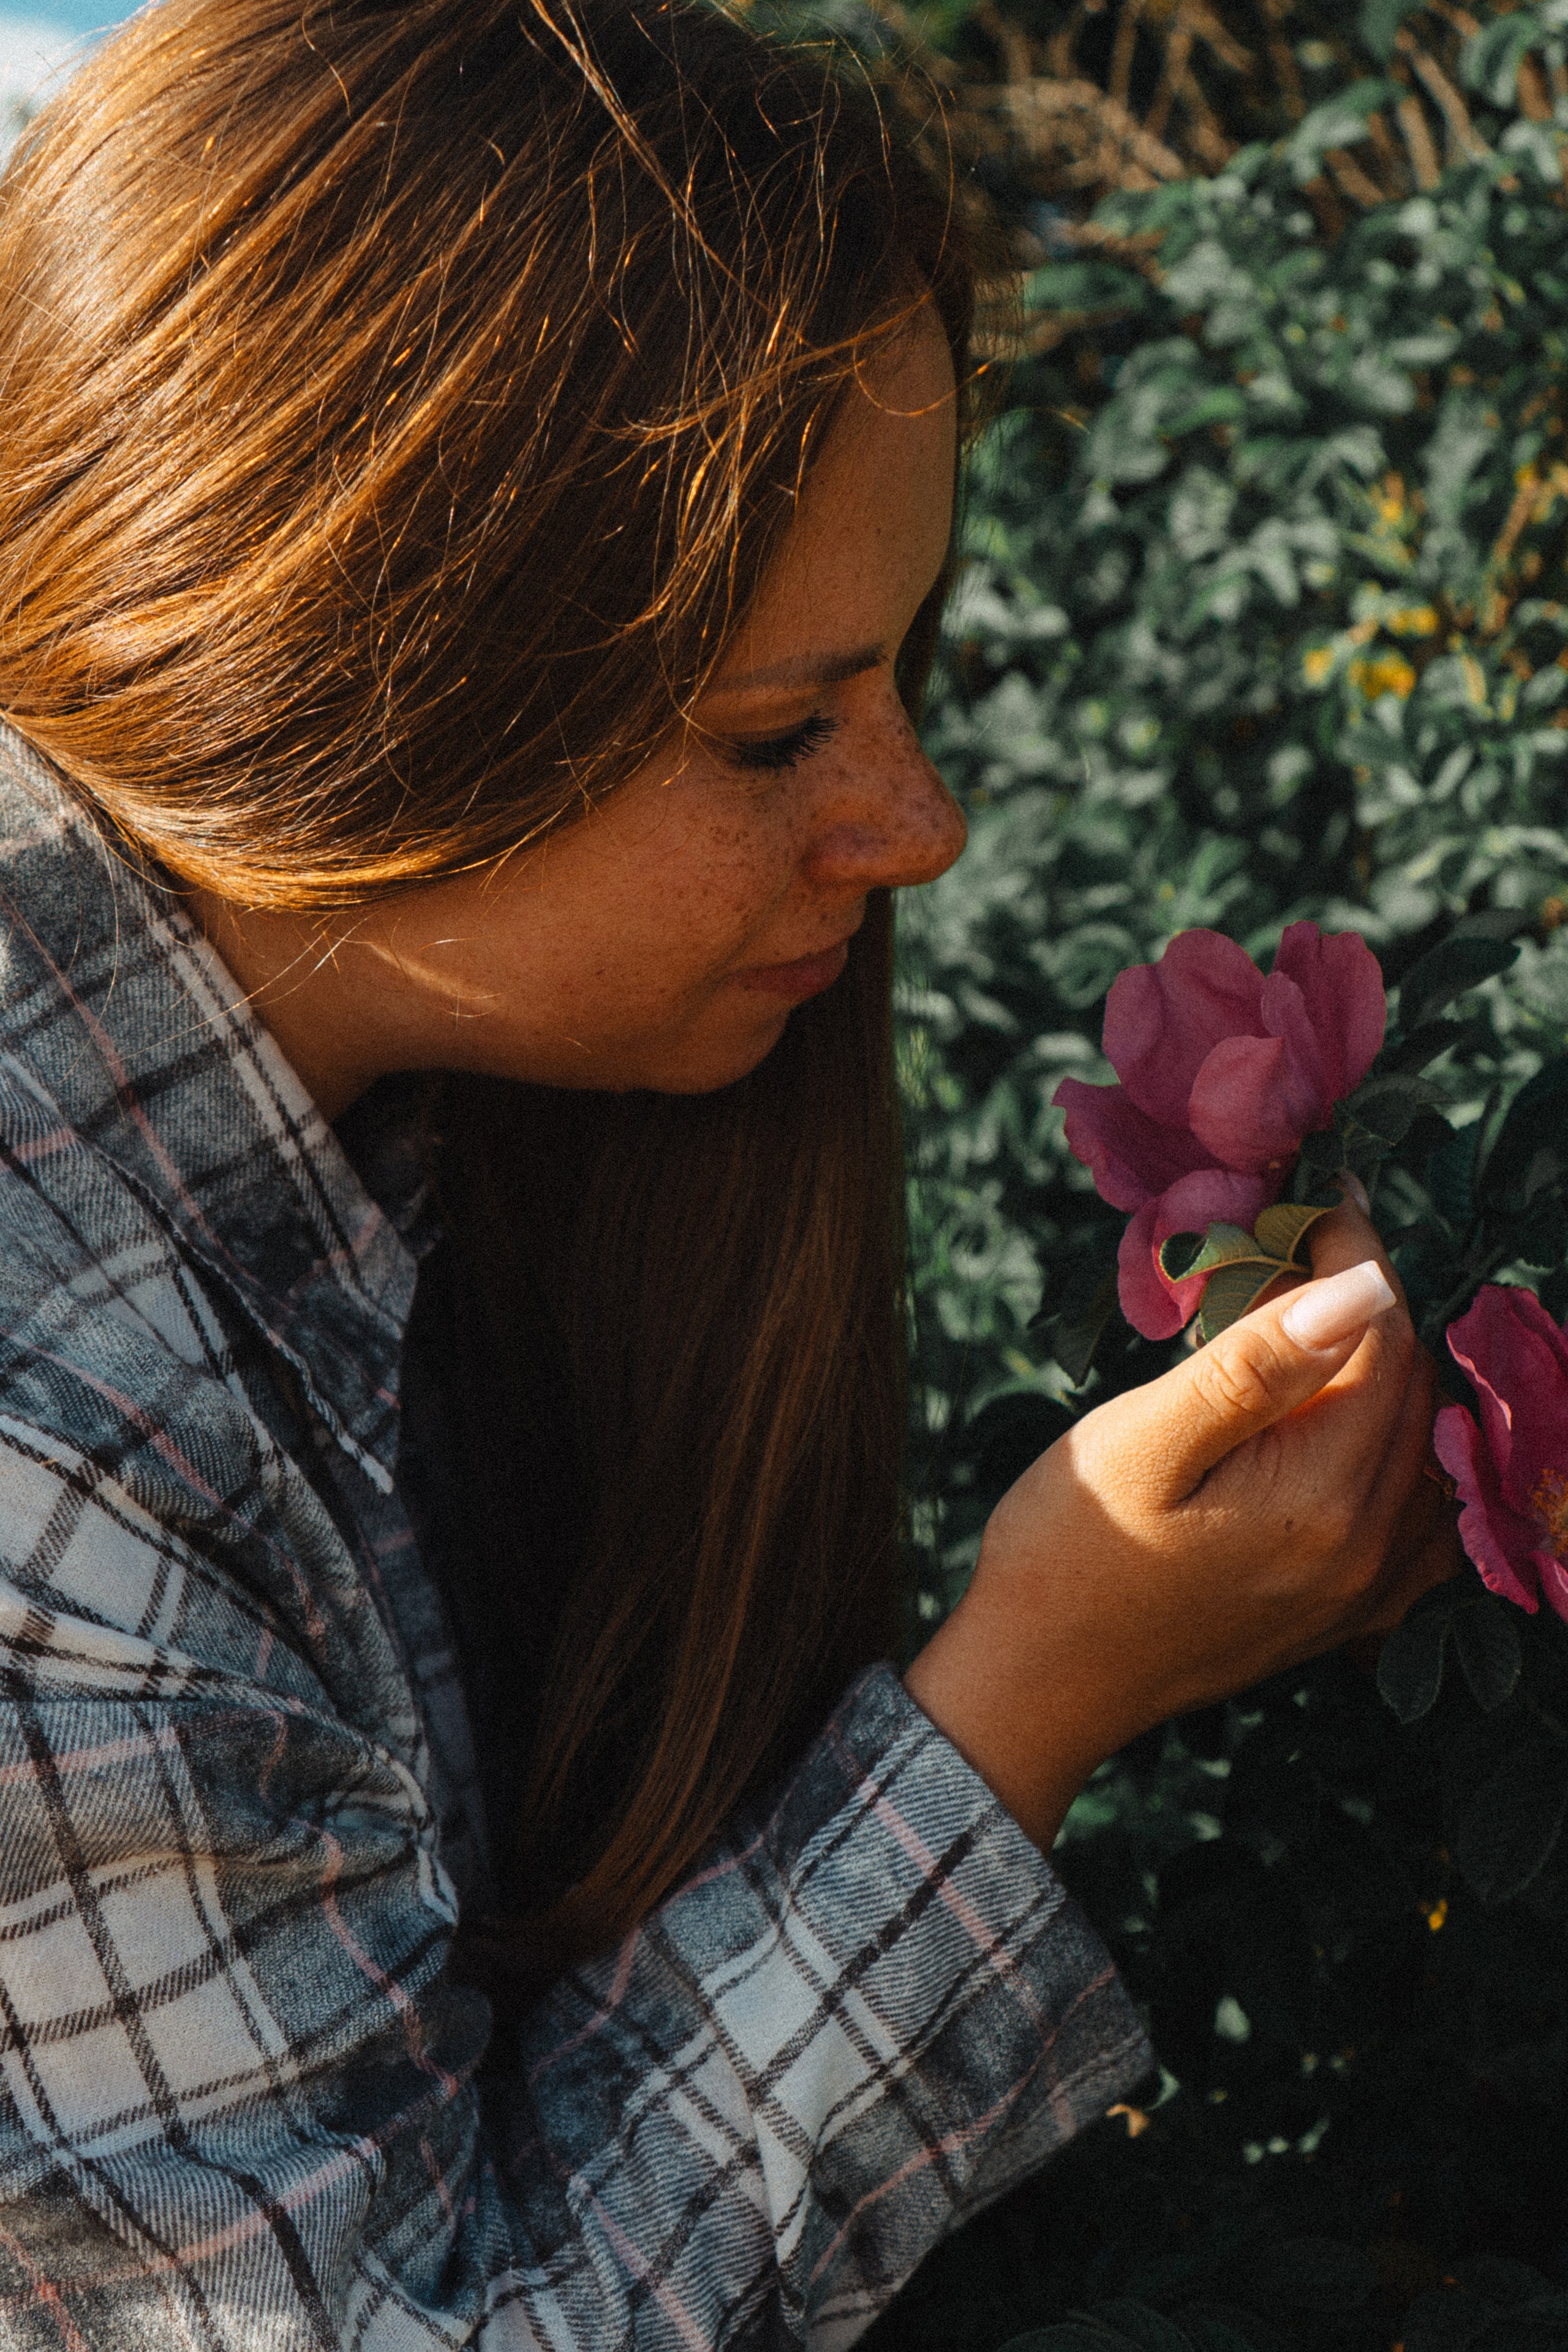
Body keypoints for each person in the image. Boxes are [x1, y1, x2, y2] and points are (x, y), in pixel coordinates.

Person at [0, 1, 1456, 2342]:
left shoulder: (401, 1128)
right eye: (781, 733)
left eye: (897, 679)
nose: (921, 828)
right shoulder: (42, 1466)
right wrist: (1033, 1692)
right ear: (335, 681)